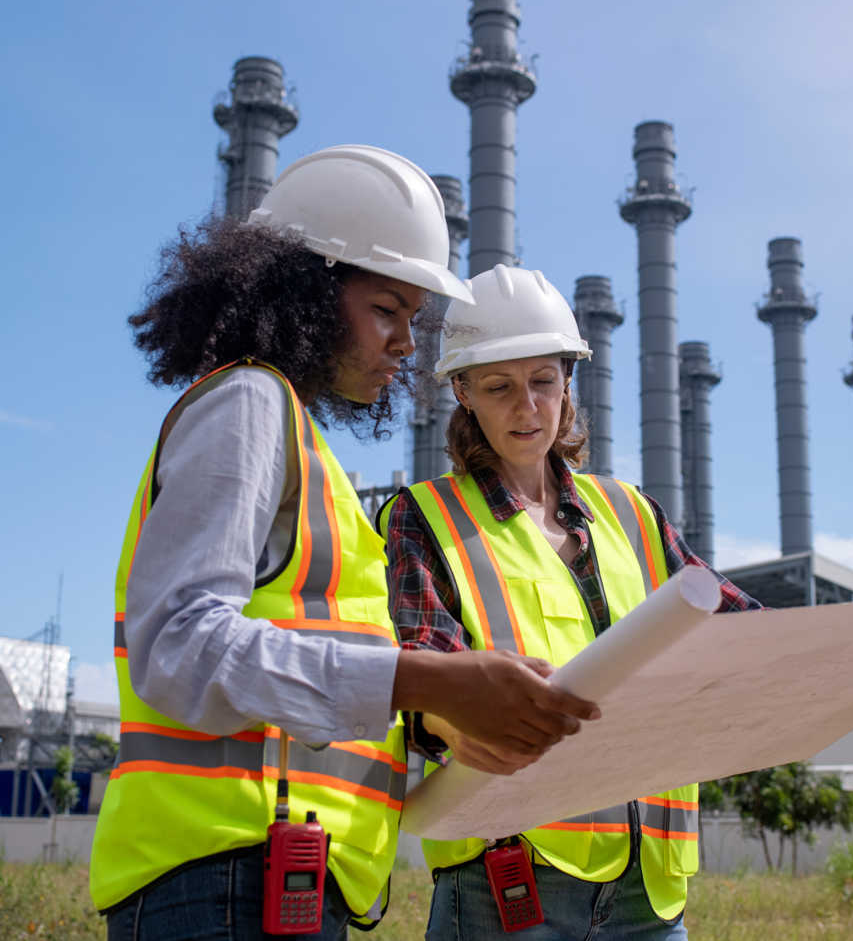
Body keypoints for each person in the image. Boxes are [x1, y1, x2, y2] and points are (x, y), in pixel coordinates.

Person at [89, 148, 599, 941]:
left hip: (263, 880)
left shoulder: (297, 437)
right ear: (305, 291)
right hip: (228, 876)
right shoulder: (251, 402)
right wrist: (429, 676)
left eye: (413, 319)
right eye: (386, 310)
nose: (405, 344)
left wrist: (442, 717)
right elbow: (178, 644)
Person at [380, 263, 764, 941]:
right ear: (463, 391)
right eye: (498, 387)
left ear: (568, 382)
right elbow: (417, 666)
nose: (526, 407)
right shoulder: (423, 516)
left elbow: (743, 627)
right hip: (511, 876)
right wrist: (449, 723)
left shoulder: (631, 512)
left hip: (651, 887)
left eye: (542, 382)